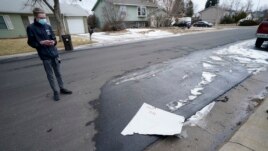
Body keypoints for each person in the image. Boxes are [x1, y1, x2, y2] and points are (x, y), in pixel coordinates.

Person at [26, 8, 72, 101]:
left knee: (58, 73)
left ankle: (62, 88)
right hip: (45, 56)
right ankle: (55, 91)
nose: (43, 19)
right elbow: (31, 42)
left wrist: (53, 42)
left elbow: (54, 38)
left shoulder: (48, 26)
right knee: (50, 75)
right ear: (35, 17)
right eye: (41, 17)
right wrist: (41, 43)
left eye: (44, 17)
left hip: (54, 53)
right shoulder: (31, 28)